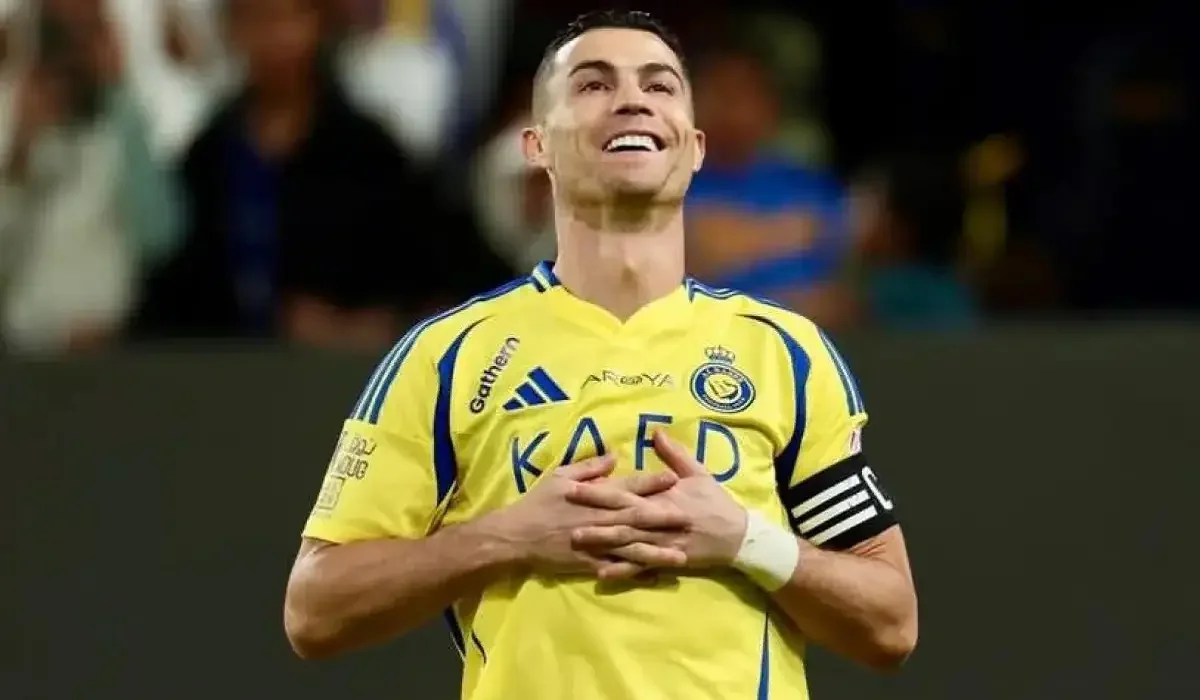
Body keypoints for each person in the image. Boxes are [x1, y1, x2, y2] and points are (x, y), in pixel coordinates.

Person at [284, 10, 918, 700]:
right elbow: (314, 609)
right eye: (593, 84)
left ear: (694, 146)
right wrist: (508, 537)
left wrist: (744, 539)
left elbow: (891, 622)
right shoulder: (447, 356)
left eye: (660, 85)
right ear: (536, 145)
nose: (633, 99)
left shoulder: (783, 352)